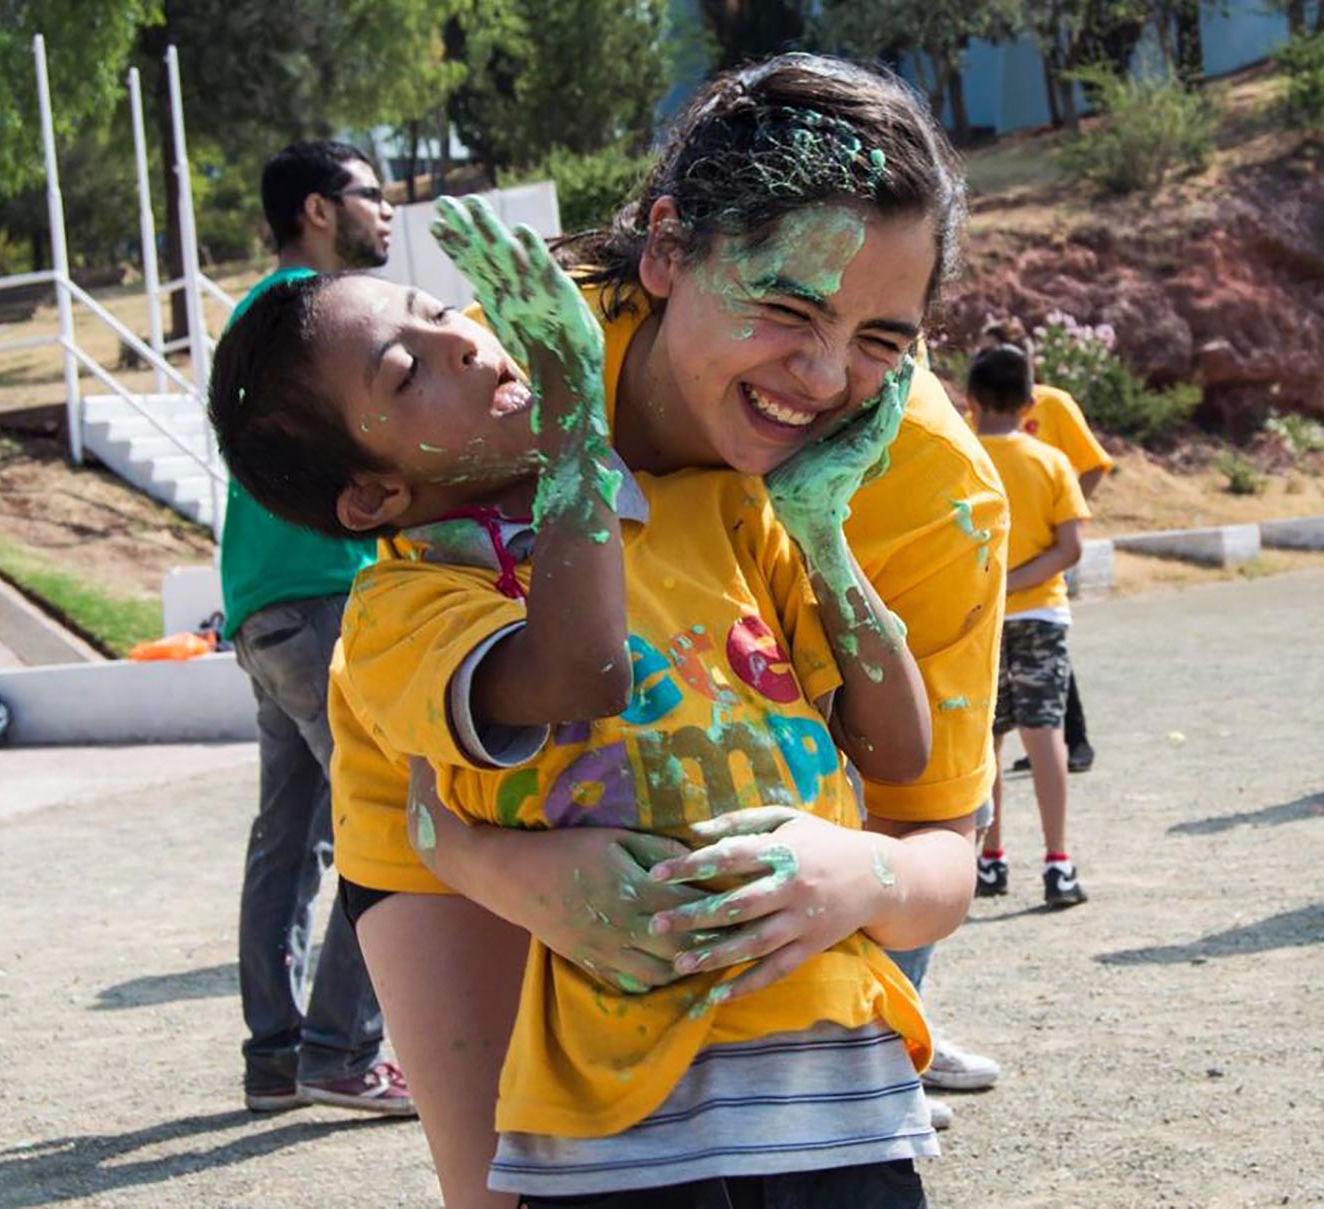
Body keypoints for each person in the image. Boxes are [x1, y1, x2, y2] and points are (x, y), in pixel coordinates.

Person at [223, 56, 1006, 1208]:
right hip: (469, 801)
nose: (827, 374)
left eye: (884, 337)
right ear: (665, 248)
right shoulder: (504, 371)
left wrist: (863, 870)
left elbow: (935, 832)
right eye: (784, 306)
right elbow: (407, 751)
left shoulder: (926, 489)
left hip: (803, 940)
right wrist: (492, 865)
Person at [220, 139, 412, 1114]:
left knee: (288, 840)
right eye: (369, 194)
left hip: (266, 606)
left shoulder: (263, 315)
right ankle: (342, 1050)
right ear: (315, 210)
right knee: (401, 821)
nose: (387, 210)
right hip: (324, 598)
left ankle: (279, 1056)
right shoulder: (308, 313)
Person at [968, 344, 1090, 908]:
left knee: (986, 739)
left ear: (970, 400)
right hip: (1041, 612)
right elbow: (1070, 548)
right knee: (1046, 736)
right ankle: (1058, 862)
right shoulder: (1049, 461)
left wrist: (995, 585)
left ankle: (990, 860)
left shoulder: (960, 456)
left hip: (978, 618)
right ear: (1028, 400)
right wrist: (1020, 582)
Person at [979, 317, 1112, 773]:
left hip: (1040, 556)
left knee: (1046, 657)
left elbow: (1094, 463)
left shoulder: (1054, 405)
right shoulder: (975, 427)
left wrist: (1067, 510)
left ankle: (1076, 741)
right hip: (998, 564)